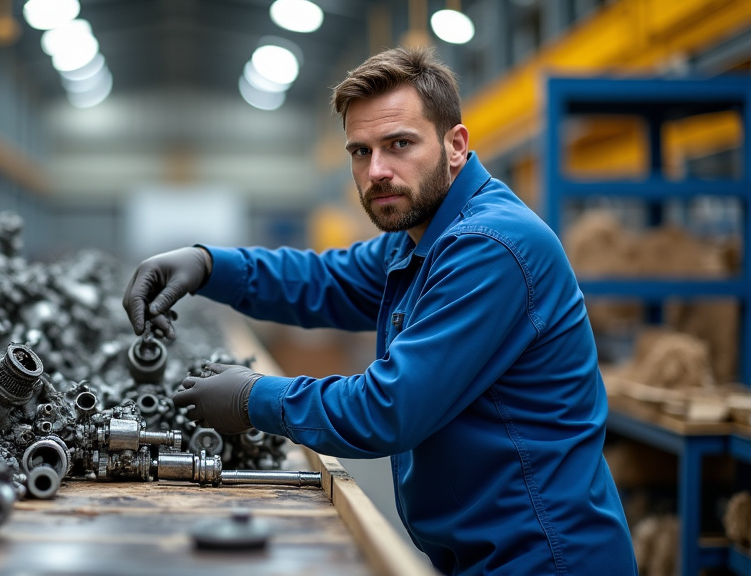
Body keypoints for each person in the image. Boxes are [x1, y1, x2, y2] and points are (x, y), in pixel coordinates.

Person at [123, 46, 638, 575]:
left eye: (399, 144)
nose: (378, 171)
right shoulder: (418, 235)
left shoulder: (491, 247)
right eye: (360, 151)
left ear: (455, 145)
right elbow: (325, 281)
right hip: (487, 553)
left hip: (544, 557)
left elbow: (389, 408)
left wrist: (255, 397)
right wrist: (208, 264)